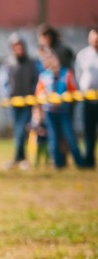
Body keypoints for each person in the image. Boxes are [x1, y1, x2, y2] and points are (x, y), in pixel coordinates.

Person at [36, 49, 85, 169]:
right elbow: (38, 94)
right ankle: (57, 164)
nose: (52, 63)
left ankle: (79, 163)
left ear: (58, 60)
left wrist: (64, 97)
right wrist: (45, 97)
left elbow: (74, 91)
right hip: (50, 112)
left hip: (64, 111)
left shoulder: (67, 73)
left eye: (53, 59)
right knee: (53, 139)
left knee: (70, 137)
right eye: (49, 60)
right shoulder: (44, 76)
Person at [0, 33, 38, 170]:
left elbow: (36, 81)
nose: (19, 48)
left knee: (21, 130)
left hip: (28, 102)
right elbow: (2, 83)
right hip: (13, 103)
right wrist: (7, 96)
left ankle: (19, 158)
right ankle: (20, 159)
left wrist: (33, 96)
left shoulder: (32, 63)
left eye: (21, 46)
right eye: (16, 46)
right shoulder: (8, 63)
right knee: (18, 131)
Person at [75, 27, 98, 168]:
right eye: (93, 38)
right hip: (87, 100)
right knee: (88, 131)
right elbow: (78, 75)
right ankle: (88, 160)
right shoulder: (83, 55)